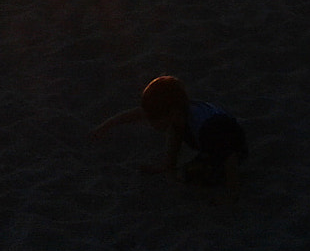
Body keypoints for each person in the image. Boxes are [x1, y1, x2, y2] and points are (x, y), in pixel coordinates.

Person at [91, 75, 247, 191]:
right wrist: (105, 126)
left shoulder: (205, 128)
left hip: (231, 147)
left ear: (172, 112)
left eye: (154, 119)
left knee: (190, 174)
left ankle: (180, 169)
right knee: (176, 129)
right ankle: (168, 166)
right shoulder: (179, 111)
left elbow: (229, 156)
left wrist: (231, 194)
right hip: (215, 139)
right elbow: (137, 114)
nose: (151, 122)